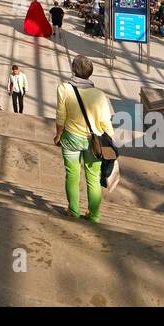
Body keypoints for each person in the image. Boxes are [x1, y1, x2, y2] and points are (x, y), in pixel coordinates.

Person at [54, 56, 115, 222]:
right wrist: (111, 140)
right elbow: (105, 122)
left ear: (74, 70)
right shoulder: (99, 95)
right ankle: (94, 215)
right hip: (93, 142)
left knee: (72, 175)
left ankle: (73, 210)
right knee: (93, 178)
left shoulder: (64, 88)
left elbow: (61, 116)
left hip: (71, 138)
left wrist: (58, 135)